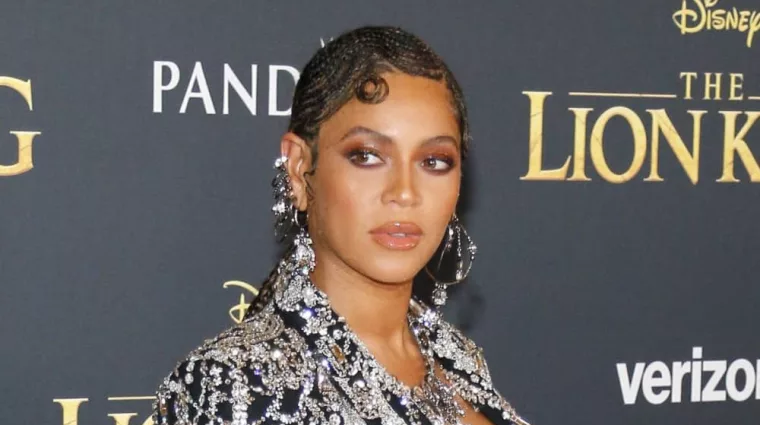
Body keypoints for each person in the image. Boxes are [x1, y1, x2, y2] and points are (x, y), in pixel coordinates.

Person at [152, 25, 530, 425]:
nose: (404, 193)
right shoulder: (229, 387)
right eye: (367, 156)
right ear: (299, 167)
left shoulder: (459, 357)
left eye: (433, 161)